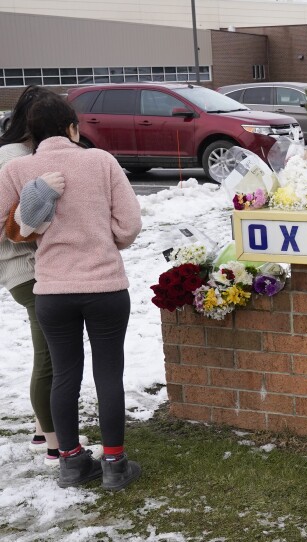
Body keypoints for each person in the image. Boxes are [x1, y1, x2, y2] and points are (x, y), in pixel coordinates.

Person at [0, 92, 143, 490]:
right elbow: (129, 224)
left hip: (52, 290)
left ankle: (71, 463)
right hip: (105, 287)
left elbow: (7, 230)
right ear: (72, 127)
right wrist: (108, 237)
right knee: (108, 373)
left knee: (64, 374)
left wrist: (37, 228)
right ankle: (114, 463)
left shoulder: (16, 170)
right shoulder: (101, 161)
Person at [0, 85, 68, 467]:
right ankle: (54, 445)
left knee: (50, 354)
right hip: (24, 268)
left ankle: (44, 429)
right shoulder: (14, 157)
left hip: (29, 268)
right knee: (49, 357)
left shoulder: (21, 152)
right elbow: (15, 219)